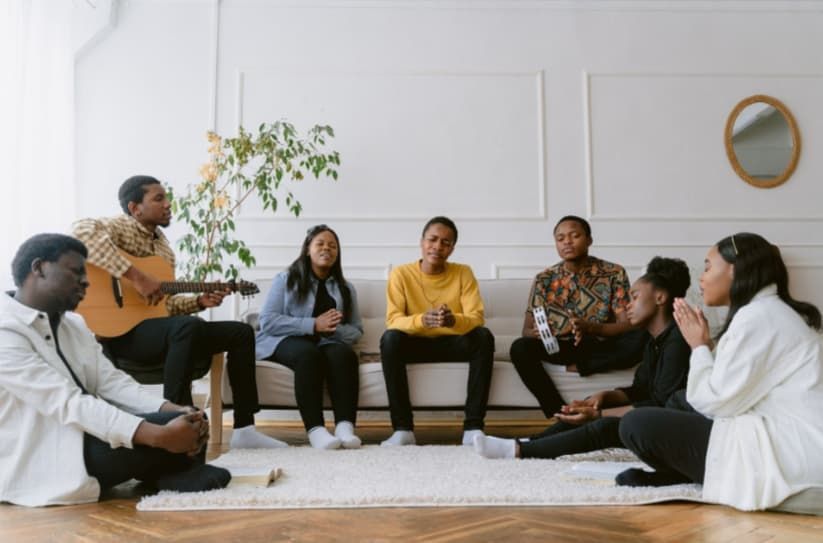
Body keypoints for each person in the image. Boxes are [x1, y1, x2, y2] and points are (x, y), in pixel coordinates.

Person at [0, 234, 231, 506]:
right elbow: (67, 402)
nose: (85, 281)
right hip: (45, 454)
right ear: (38, 268)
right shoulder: (6, 330)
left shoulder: (74, 324)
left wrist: (170, 408)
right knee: (161, 430)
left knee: (187, 418)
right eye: (75, 272)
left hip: (87, 435)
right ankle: (171, 470)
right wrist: (157, 435)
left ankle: (169, 471)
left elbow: (112, 383)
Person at [73, 175, 284, 449]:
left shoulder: (164, 250)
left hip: (156, 331)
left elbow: (163, 306)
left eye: (166, 198)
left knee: (240, 332)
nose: (168, 204)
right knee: (187, 326)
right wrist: (135, 276)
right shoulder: (118, 227)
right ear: (135, 208)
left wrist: (199, 302)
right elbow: (80, 232)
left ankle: (244, 428)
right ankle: (177, 420)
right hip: (121, 337)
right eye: (158, 198)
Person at [616, 233, 823, 512]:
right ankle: (685, 473)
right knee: (678, 400)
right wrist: (706, 348)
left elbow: (713, 403)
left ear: (734, 270)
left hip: (792, 453)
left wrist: (699, 346)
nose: (702, 278)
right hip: (793, 441)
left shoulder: (759, 316)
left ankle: (690, 474)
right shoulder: (766, 312)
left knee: (636, 424)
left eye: (708, 267)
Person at [474, 257, 691, 460]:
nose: (627, 305)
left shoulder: (678, 342)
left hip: (667, 426)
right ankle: (531, 440)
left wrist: (598, 414)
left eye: (634, 297)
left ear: (660, 297)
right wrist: (604, 396)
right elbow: (641, 390)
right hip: (651, 415)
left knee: (603, 425)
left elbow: (660, 404)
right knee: (586, 408)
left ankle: (521, 450)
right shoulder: (654, 341)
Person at [509, 215, 646, 417]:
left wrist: (590, 327)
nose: (567, 242)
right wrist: (538, 333)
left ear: (589, 240)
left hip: (601, 345)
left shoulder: (613, 273)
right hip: (562, 346)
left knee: (642, 336)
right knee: (519, 348)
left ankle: (583, 366)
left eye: (575, 236)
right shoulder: (544, 279)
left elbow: (626, 324)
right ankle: (559, 412)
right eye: (561, 238)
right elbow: (526, 331)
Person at [379, 216, 495, 447]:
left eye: (446, 242)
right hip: (415, 345)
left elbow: (476, 317)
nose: (438, 247)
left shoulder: (463, 273)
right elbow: (393, 320)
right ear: (422, 242)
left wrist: (453, 321)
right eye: (432, 239)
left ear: (452, 248)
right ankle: (403, 430)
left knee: (483, 337)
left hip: (453, 344)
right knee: (390, 339)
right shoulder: (401, 274)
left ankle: (473, 428)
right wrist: (423, 320)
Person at [256, 225, 363, 450]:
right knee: (308, 355)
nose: (327, 249)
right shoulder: (286, 279)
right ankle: (316, 430)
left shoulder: (346, 288)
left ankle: (345, 427)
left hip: (327, 341)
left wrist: (333, 328)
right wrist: (313, 324)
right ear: (307, 249)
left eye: (332, 246)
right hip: (284, 340)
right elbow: (268, 321)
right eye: (320, 244)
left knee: (344, 354)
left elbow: (356, 330)